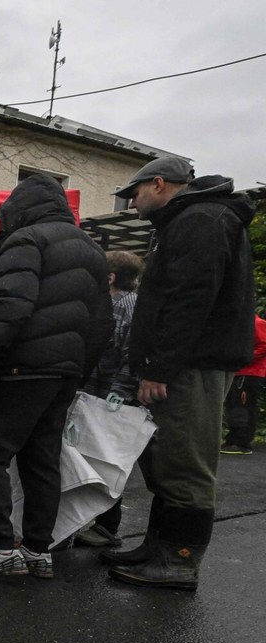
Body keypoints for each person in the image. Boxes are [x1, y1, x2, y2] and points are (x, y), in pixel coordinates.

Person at [102, 157, 256, 591]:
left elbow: (190, 302)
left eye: (133, 195)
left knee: (186, 463)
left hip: (192, 365)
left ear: (158, 183)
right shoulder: (194, 218)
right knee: (168, 459)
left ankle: (178, 561)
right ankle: (158, 547)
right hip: (187, 362)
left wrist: (159, 368)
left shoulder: (201, 219)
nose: (131, 205)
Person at [0, 174, 111, 580]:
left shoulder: (25, 240)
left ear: (18, 208)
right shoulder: (92, 250)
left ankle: (0, 546)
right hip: (65, 371)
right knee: (43, 459)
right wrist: (77, 371)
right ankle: (38, 549)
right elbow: (101, 323)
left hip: (23, 366)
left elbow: (11, 307)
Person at [76, 250, 143, 548]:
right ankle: (94, 523)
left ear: (110, 277)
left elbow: (130, 354)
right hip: (103, 392)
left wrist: (118, 394)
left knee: (105, 457)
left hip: (108, 395)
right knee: (95, 455)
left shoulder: (124, 306)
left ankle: (106, 527)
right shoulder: (124, 304)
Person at [221, 314, 266, 456]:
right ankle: (234, 438)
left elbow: (264, 344)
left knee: (243, 406)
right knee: (235, 405)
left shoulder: (256, 323)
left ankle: (241, 441)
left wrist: (244, 359)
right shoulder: (242, 322)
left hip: (250, 372)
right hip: (239, 371)